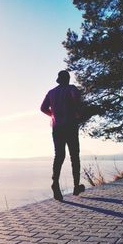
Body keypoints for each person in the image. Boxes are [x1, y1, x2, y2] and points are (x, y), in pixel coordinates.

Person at [41, 70, 85, 201]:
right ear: (68, 79)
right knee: (74, 156)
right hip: (70, 126)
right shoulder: (71, 89)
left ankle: (55, 184)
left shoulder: (51, 92)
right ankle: (76, 186)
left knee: (59, 155)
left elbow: (43, 108)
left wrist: (54, 115)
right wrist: (78, 113)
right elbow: (77, 102)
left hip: (57, 128)